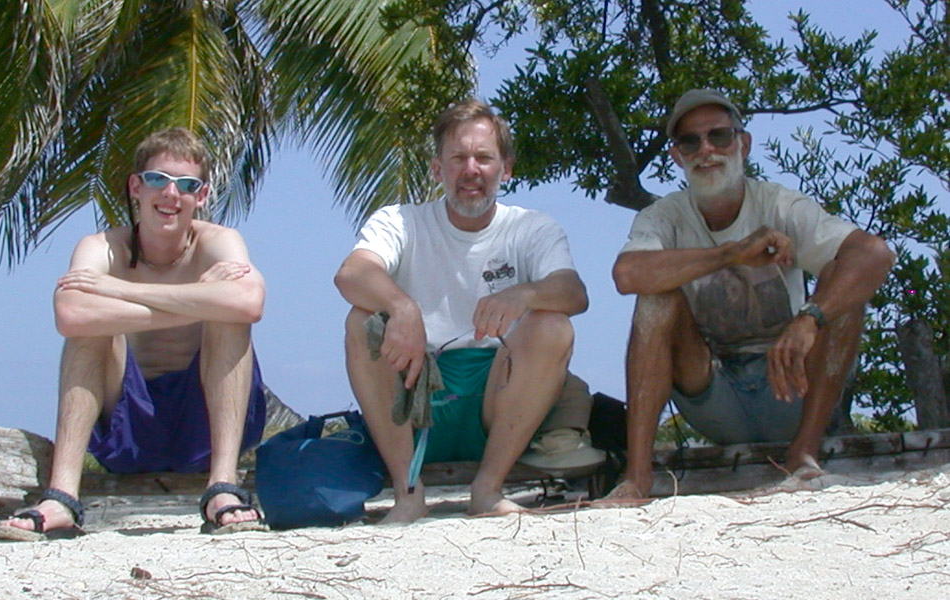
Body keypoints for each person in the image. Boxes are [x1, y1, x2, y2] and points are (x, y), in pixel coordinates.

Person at [599, 89, 895, 503]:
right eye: (690, 142)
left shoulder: (780, 205)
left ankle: (803, 456)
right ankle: (637, 477)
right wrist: (731, 253)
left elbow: (874, 254)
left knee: (841, 289)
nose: (706, 150)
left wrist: (809, 318)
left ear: (744, 143)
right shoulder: (664, 216)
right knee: (656, 298)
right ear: (677, 156)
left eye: (719, 136)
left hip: (790, 387)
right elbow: (628, 274)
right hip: (714, 396)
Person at [0, 128, 269, 539]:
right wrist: (198, 300)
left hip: (206, 427)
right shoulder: (102, 247)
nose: (171, 194)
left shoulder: (219, 242)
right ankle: (62, 497)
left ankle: (223, 488)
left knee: (230, 319)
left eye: (186, 185)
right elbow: (70, 314)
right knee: (92, 328)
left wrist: (121, 290)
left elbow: (250, 303)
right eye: (158, 179)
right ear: (136, 187)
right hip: (128, 427)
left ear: (201, 196)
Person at [335, 99, 591, 523]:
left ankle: (488, 490)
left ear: (506, 169)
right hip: (416, 395)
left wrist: (524, 295)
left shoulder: (531, 227)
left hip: (498, 400)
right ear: (438, 169)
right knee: (361, 320)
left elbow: (573, 293)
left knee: (553, 324)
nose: (471, 170)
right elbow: (351, 273)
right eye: (458, 158)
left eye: (484, 158)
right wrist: (402, 307)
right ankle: (408, 493)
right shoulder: (400, 221)